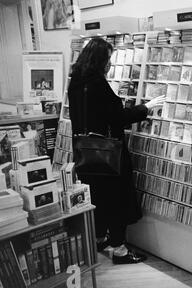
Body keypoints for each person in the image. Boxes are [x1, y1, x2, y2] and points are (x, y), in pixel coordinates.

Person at [69, 38, 166, 264]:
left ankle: (98, 237)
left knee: (96, 197)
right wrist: (146, 108)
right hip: (107, 153)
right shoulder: (98, 85)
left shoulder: (75, 83)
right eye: (108, 59)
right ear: (101, 60)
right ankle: (120, 250)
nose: (110, 64)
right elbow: (118, 118)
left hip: (84, 152)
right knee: (116, 199)